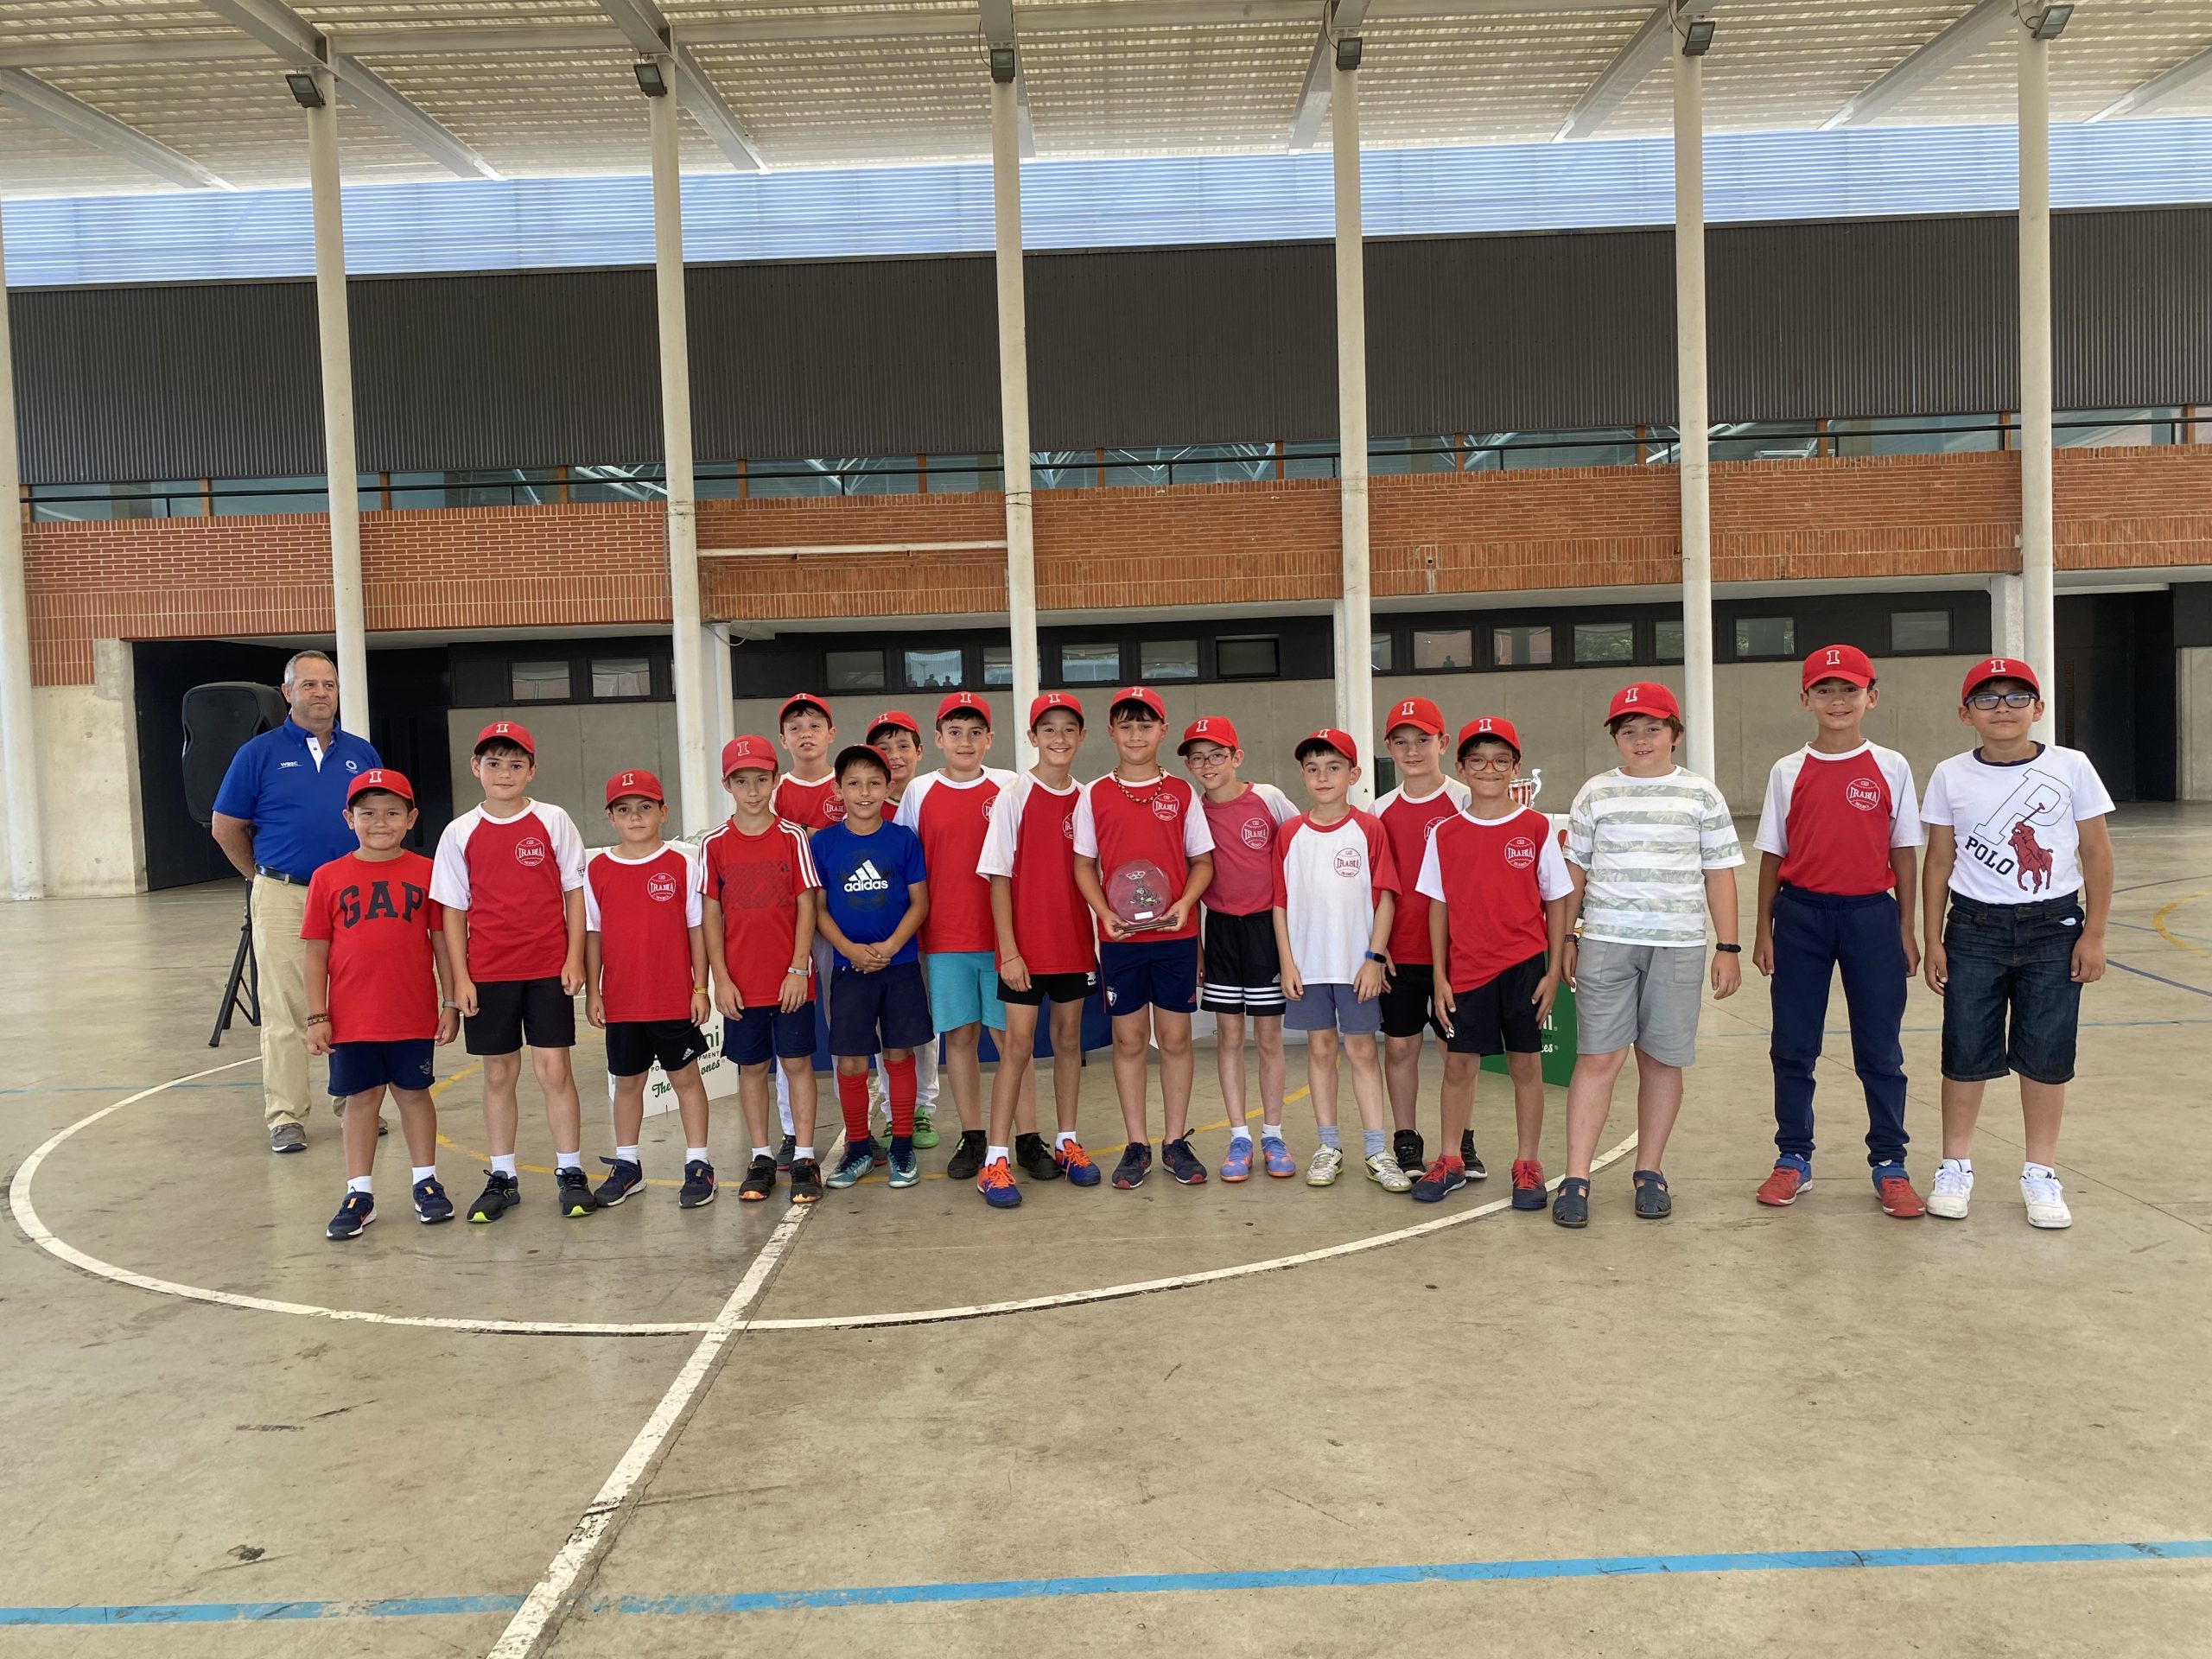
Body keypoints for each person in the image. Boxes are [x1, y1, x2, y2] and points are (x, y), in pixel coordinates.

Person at [1920, 657, 2113, 1230]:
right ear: (1965, 714)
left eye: (2015, 697)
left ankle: (2040, 1172)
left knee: (2046, 1052)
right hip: (1974, 929)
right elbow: (1939, 861)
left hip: (2053, 928)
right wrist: (1932, 938)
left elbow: (2097, 853)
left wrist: (2094, 934)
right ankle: (1955, 1165)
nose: (2001, 708)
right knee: (1965, 1050)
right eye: (1986, 698)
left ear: (2038, 708)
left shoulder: (2072, 767)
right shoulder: (1950, 775)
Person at [1554, 683, 1743, 1228]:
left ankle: (1649, 1170)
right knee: (1597, 1058)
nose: (1641, 739)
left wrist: (1727, 947)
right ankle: (1576, 1177)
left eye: (1653, 728)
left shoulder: (1701, 795)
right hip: (1606, 942)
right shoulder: (1596, 793)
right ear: (1616, 738)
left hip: (1677, 945)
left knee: (1661, 1060)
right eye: (1628, 730)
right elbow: (1574, 872)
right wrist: (1567, 938)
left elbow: (1719, 873)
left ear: (1674, 735)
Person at [1751, 645, 1927, 1218]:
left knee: (1880, 1047)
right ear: (1806, 699)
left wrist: (1906, 928)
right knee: (1793, 1045)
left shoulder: (1892, 766)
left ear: (1871, 697)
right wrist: (1763, 928)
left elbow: (1904, 851)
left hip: (1870, 917)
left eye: (1849, 689)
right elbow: (1773, 854)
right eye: (1824, 690)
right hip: (1800, 916)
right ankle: (1793, 1157)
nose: (1837, 700)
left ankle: (1890, 1163)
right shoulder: (1788, 770)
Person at [209, 648, 382, 1154]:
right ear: (287, 693)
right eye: (309, 685)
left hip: (351, 896)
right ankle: (286, 1115)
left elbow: (380, 819)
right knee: (285, 1006)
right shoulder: (257, 754)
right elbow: (226, 826)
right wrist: (262, 879)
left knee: (351, 1002)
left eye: (329, 684)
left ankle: (355, 1103)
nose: (321, 693)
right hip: (284, 894)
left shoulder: (361, 754)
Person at [430, 721, 598, 1223]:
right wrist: (460, 979)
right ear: (476, 768)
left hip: (548, 968)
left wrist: (574, 957)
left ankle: (571, 1170)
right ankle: (503, 1175)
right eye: (494, 763)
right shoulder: (459, 832)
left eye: (515, 764)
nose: (504, 773)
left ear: (531, 770)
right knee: (499, 1073)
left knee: (554, 1070)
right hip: (489, 972)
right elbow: (453, 911)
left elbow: (575, 893)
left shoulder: (553, 820)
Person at [1413, 719, 1570, 1206]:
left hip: (1523, 968)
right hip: (1466, 969)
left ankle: (1528, 1165)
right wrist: (1439, 975)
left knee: (1525, 1065)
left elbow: (1556, 900)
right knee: (1459, 1066)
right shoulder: (1445, 833)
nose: (1489, 769)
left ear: (1515, 768)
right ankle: (1450, 1160)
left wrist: (1552, 971)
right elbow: (1437, 905)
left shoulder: (1536, 827)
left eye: (1501, 760)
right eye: (1478, 760)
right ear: (1461, 767)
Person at [302, 769, 458, 1239]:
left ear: (411, 818)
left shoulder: (428, 872)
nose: (380, 823)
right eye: (367, 813)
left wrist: (450, 1003)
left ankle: (425, 1181)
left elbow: (442, 942)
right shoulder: (327, 878)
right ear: (349, 818)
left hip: (411, 1012)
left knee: (413, 1094)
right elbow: (315, 952)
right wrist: (317, 1015)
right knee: (362, 1099)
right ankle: (359, 1192)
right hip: (352, 1017)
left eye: (392, 813)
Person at [1071, 687, 1216, 1190]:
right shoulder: (1094, 794)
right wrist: (1104, 912)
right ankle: (1137, 1143)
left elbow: (1202, 862)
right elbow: (1083, 864)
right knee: (1129, 1040)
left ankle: (1175, 1141)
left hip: (1175, 936)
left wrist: (1184, 904)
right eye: (1127, 726)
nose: (1137, 735)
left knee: (1175, 1039)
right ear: (1112, 732)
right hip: (1120, 940)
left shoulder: (1181, 793)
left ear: (1163, 731)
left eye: (1146, 725)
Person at [974, 692, 1103, 1207]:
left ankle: (1067, 1141)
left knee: (1069, 1042)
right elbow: (998, 878)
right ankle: (995, 1159)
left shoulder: (1088, 798)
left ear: (1082, 737)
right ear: (1032, 737)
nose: (1059, 738)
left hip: (1074, 945)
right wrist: (1009, 952)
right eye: (1048, 729)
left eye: (1069, 729)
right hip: (1025, 951)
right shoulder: (1014, 795)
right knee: (1017, 1049)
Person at [1271, 728, 1408, 1192]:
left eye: (1333, 767)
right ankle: (1328, 1146)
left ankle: (1376, 1149)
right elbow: (1280, 903)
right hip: (1308, 967)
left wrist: (1374, 957)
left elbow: (1386, 897)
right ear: (1302, 776)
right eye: (1312, 769)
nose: (1323, 776)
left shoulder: (1369, 828)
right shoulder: (1290, 833)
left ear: (1354, 774)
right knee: (1320, 1050)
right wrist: (1287, 963)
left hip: (1356, 968)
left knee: (1363, 1050)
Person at [895, 692, 1024, 1182]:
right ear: (938, 739)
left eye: (975, 732)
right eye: (955, 732)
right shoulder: (920, 791)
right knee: (961, 1037)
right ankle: (973, 1135)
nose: (965, 742)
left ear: (990, 738)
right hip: (945, 938)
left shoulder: (1009, 785)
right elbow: (907, 863)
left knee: (1011, 1039)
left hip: (1003, 939)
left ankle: (1025, 1136)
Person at [584, 769, 718, 1211]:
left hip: (672, 997)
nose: (635, 816)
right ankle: (627, 1165)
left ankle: (698, 1163)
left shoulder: (683, 863)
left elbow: (697, 929)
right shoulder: (598, 868)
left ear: (663, 811)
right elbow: (593, 934)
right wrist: (594, 992)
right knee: (627, 1083)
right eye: (624, 809)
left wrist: (700, 987)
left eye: (645, 807)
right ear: (611, 818)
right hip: (622, 1000)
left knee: (686, 1079)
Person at [699, 734, 824, 1205]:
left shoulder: (793, 837)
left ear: (775, 780)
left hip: (789, 980)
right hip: (741, 984)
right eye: (741, 781)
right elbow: (711, 914)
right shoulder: (714, 843)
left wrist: (798, 968)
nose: (752, 790)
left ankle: (805, 1156)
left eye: (760, 779)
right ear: (726, 784)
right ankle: (761, 1156)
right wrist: (721, 978)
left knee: (796, 1063)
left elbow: (806, 902)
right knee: (751, 1068)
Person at [1180, 715, 1298, 1179]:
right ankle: (1239, 1138)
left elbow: (1297, 855)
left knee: (1268, 1038)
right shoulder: (1192, 812)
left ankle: (1273, 1134)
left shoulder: (1268, 798)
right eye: (1198, 758)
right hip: (1222, 932)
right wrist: (1198, 951)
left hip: (1267, 929)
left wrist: (1292, 943)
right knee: (1228, 1037)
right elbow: (1190, 882)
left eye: (1217, 755)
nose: (1208, 765)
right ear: (1189, 765)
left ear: (1237, 756)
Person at [810, 746, 931, 1193]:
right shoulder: (823, 843)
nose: (864, 792)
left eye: (874, 783)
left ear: (888, 787)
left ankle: (901, 1145)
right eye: (854, 783)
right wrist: (849, 949)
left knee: (898, 1053)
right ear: (838, 788)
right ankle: (858, 1146)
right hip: (849, 969)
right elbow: (818, 909)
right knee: (851, 1059)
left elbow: (920, 902)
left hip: (899, 965)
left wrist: (891, 945)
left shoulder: (903, 839)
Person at [1370, 696, 1475, 1179]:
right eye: (1401, 742)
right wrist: (1377, 947)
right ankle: (1406, 1138)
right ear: (1389, 747)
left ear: (1443, 742)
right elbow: (1373, 887)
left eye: (1422, 740)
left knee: (1457, 1050)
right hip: (1402, 953)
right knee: (1400, 1048)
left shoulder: (1466, 800)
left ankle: (1462, 1140)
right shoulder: (1379, 810)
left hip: (1457, 956)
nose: (1412, 751)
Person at [768, 694, 842, 1170]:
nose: (805, 733)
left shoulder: (848, 783)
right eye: (795, 727)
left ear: (831, 733)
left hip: (839, 922)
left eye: (814, 724)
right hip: (788, 926)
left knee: (847, 1025)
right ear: (783, 739)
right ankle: (792, 1132)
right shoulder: (774, 791)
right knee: (788, 1027)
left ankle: (863, 1125)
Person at [865, 709, 942, 1146]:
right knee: (883, 1028)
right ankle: (895, 1109)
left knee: (923, 1022)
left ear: (920, 751)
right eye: (883, 747)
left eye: (902, 746)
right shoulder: (866, 806)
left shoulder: (931, 796)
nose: (894, 755)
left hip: (927, 930)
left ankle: (923, 1109)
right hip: (878, 937)